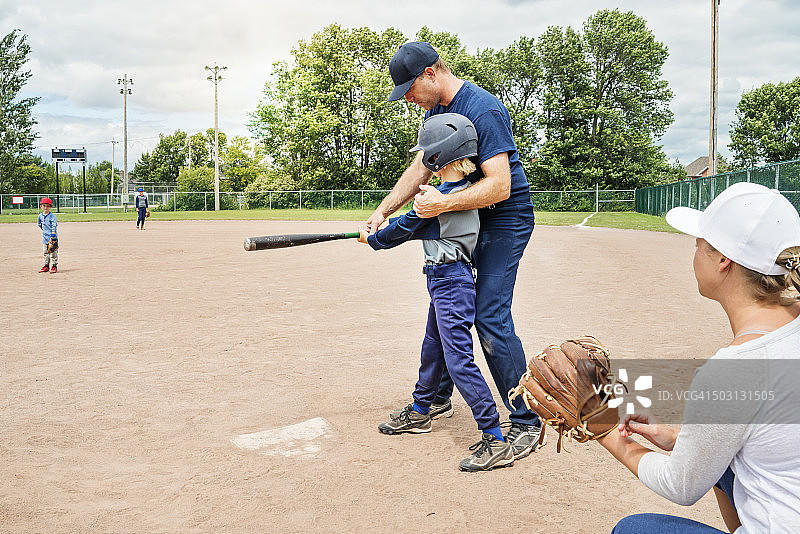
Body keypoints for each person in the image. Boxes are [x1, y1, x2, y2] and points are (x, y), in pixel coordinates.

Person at [365, 41, 542, 459]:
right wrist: (383, 211)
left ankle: (524, 422)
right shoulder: (435, 111)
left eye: (410, 88)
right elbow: (423, 165)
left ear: (430, 72)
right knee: (447, 307)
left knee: (489, 315)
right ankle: (433, 400)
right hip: (468, 213)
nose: (408, 98)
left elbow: (501, 185)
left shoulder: (484, 108)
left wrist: (442, 203)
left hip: (503, 218)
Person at [596, 182, 800, 533]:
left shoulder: (737, 368)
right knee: (722, 463)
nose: (693, 253)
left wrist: (606, 430)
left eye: (698, 245)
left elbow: (682, 485)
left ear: (723, 261)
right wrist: (678, 439)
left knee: (634, 529)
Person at [358, 113, 513, 471]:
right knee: (433, 349)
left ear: (440, 155)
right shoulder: (455, 193)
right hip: (445, 280)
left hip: (451, 283)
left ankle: (494, 437)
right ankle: (420, 410)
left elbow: (403, 230)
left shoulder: (443, 200)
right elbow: (418, 216)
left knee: (458, 360)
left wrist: (373, 238)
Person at [37, 197, 58, 274]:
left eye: (47, 206)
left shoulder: (52, 216)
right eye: (44, 206)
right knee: (45, 252)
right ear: (41, 206)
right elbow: (39, 224)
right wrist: (44, 231)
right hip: (45, 237)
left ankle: (54, 265)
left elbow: (54, 225)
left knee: (53, 252)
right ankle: (46, 265)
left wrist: (53, 232)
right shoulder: (40, 216)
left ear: (50, 207)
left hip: (52, 237)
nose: (46, 207)